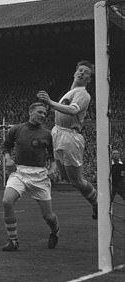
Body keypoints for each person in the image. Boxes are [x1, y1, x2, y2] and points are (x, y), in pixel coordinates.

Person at [37, 60, 98, 219]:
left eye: (86, 72)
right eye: (80, 70)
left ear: (89, 79)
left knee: (76, 180)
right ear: (75, 72)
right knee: (65, 176)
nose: (82, 73)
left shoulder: (83, 94)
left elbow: (72, 110)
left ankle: (97, 202)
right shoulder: (70, 92)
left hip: (70, 136)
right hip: (58, 132)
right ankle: (94, 200)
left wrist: (51, 102)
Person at [0, 102, 59, 252]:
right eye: (40, 112)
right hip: (19, 171)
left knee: (49, 216)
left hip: (39, 174)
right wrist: (8, 159)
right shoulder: (16, 129)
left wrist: (53, 168)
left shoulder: (47, 134)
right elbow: (6, 146)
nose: (42, 115)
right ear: (30, 112)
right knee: (7, 201)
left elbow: (54, 156)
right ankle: (13, 241)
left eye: (44, 114)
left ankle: (55, 232)